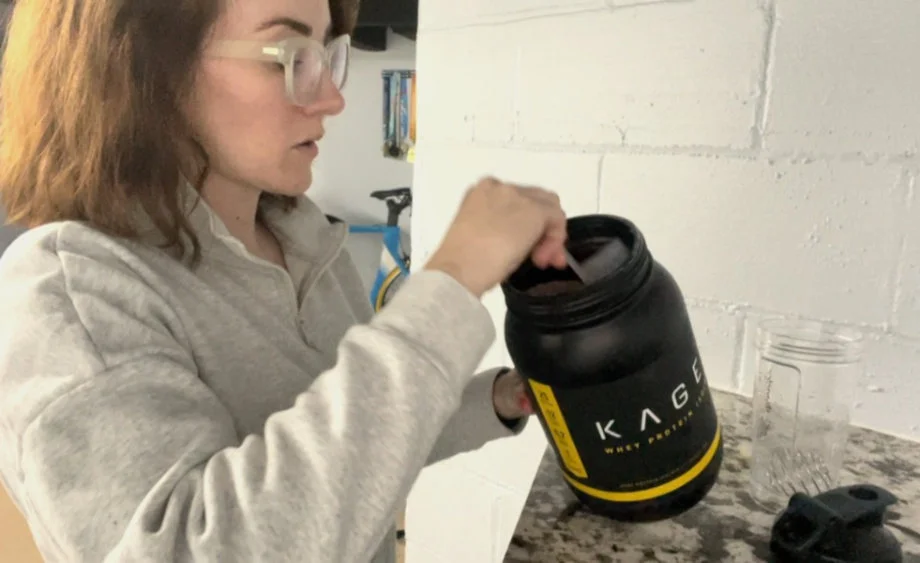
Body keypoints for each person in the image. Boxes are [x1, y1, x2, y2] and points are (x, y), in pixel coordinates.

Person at [0, 0, 570, 562]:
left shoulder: (308, 245)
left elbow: (347, 443)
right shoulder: (70, 292)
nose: (332, 97)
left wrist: (493, 399)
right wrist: (450, 283)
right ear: (147, 68)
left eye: (325, 53)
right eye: (288, 55)